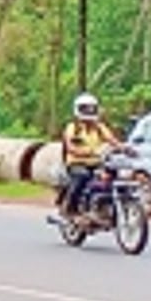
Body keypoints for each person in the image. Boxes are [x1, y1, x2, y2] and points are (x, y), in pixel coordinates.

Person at [60, 92, 125, 220]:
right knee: (82, 177)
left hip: (97, 163)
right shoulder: (73, 128)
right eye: (86, 108)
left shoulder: (99, 127)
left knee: (114, 176)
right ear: (78, 109)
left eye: (92, 108)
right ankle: (70, 209)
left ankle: (104, 206)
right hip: (77, 163)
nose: (89, 111)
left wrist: (125, 149)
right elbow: (71, 148)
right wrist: (90, 152)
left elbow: (112, 139)